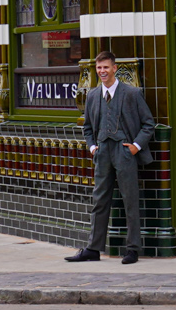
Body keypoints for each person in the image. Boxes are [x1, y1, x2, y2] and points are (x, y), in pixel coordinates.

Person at [66, 50, 156, 265]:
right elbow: (87, 127)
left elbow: (148, 124)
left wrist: (134, 147)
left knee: (130, 201)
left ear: (114, 68)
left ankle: (132, 249)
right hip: (103, 153)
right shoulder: (93, 95)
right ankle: (93, 249)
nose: (102, 71)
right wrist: (93, 148)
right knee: (99, 201)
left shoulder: (132, 93)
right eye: (99, 68)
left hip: (124, 152)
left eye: (106, 67)